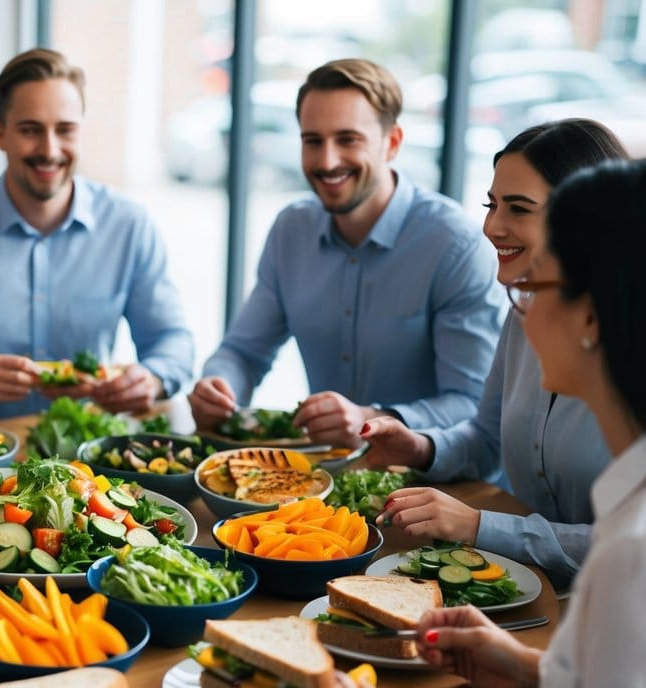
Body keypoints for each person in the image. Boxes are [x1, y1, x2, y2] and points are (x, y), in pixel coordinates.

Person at [337, 158, 646, 688]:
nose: (521, 309)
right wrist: (540, 676)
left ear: (589, 314)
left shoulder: (629, 555)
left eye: (533, 287)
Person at [189, 58, 504, 447]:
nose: (327, 161)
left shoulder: (454, 246)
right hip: (326, 475)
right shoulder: (291, 230)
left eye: (348, 139)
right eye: (313, 141)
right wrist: (220, 385)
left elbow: (472, 404)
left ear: (392, 143)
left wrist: (370, 419)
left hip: (440, 486)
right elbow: (243, 351)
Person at [366, 120, 627, 587]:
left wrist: (480, 526)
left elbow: (632, 544)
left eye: (519, 208)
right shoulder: (526, 310)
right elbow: (487, 439)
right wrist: (422, 446)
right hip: (520, 586)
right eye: (492, 205)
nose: (491, 226)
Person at [0, 48, 195, 419]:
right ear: (0, 134)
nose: (50, 149)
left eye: (65, 130)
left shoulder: (129, 226)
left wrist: (152, 379)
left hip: (90, 460)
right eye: (30, 130)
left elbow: (174, 342)